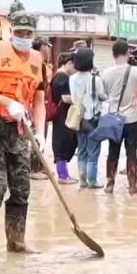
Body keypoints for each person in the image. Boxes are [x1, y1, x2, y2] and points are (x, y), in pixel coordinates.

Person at [0, 11, 47, 253]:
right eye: (19, 33)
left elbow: (39, 101)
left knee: (22, 188)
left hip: (19, 131)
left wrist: (41, 133)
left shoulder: (38, 61)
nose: (23, 37)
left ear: (33, 35)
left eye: (28, 33)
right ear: (11, 32)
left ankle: (16, 241)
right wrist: (6, 103)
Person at [101, 39, 137, 194]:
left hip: (114, 119)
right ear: (128, 53)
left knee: (112, 152)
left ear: (113, 54)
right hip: (132, 119)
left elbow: (104, 95)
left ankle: (109, 184)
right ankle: (133, 186)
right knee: (131, 152)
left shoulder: (106, 73)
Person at [69, 48, 107, 189]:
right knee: (93, 151)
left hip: (78, 118)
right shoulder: (95, 79)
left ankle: (82, 181)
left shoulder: (72, 78)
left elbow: (73, 97)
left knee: (82, 150)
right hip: (92, 119)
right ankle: (92, 181)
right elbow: (103, 96)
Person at [50, 53, 78, 184]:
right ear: (69, 63)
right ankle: (62, 176)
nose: (75, 70)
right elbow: (65, 98)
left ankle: (64, 174)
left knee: (63, 143)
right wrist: (79, 101)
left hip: (61, 115)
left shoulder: (58, 75)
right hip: (62, 115)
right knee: (62, 144)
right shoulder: (62, 77)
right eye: (75, 66)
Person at [30, 37, 53, 180]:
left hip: (42, 106)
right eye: (47, 46)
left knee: (41, 136)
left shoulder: (43, 64)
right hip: (32, 107)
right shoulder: (33, 62)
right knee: (34, 139)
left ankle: (40, 165)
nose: (49, 50)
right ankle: (34, 168)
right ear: (42, 47)